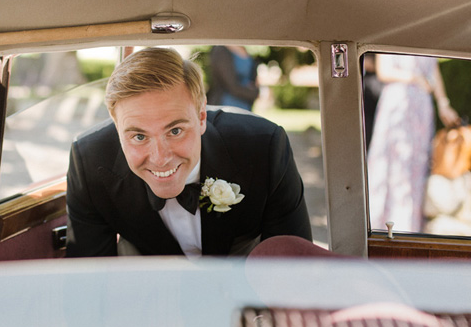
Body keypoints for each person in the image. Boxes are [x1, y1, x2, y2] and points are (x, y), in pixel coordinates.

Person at [65, 46, 311, 258]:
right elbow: (86, 288)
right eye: (139, 136)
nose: (160, 158)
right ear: (116, 128)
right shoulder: (89, 161)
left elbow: (297, 271)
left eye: (175, 131)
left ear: (202, 116)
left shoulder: (263, 148)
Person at [367, 54, 460, 233]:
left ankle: (407, 226)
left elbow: (434, 71)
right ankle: (380, 223)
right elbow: (383, 71)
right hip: (397, 103)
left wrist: (443, 103)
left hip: (421, 108)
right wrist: (414, 78)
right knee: (391, 163)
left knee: (416, 167)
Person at [206, 45, 259, 111]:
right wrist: (256, 92)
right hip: (226, 105)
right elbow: (231, 86)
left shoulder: (244, 47)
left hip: (245, 105)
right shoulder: (221, 49)